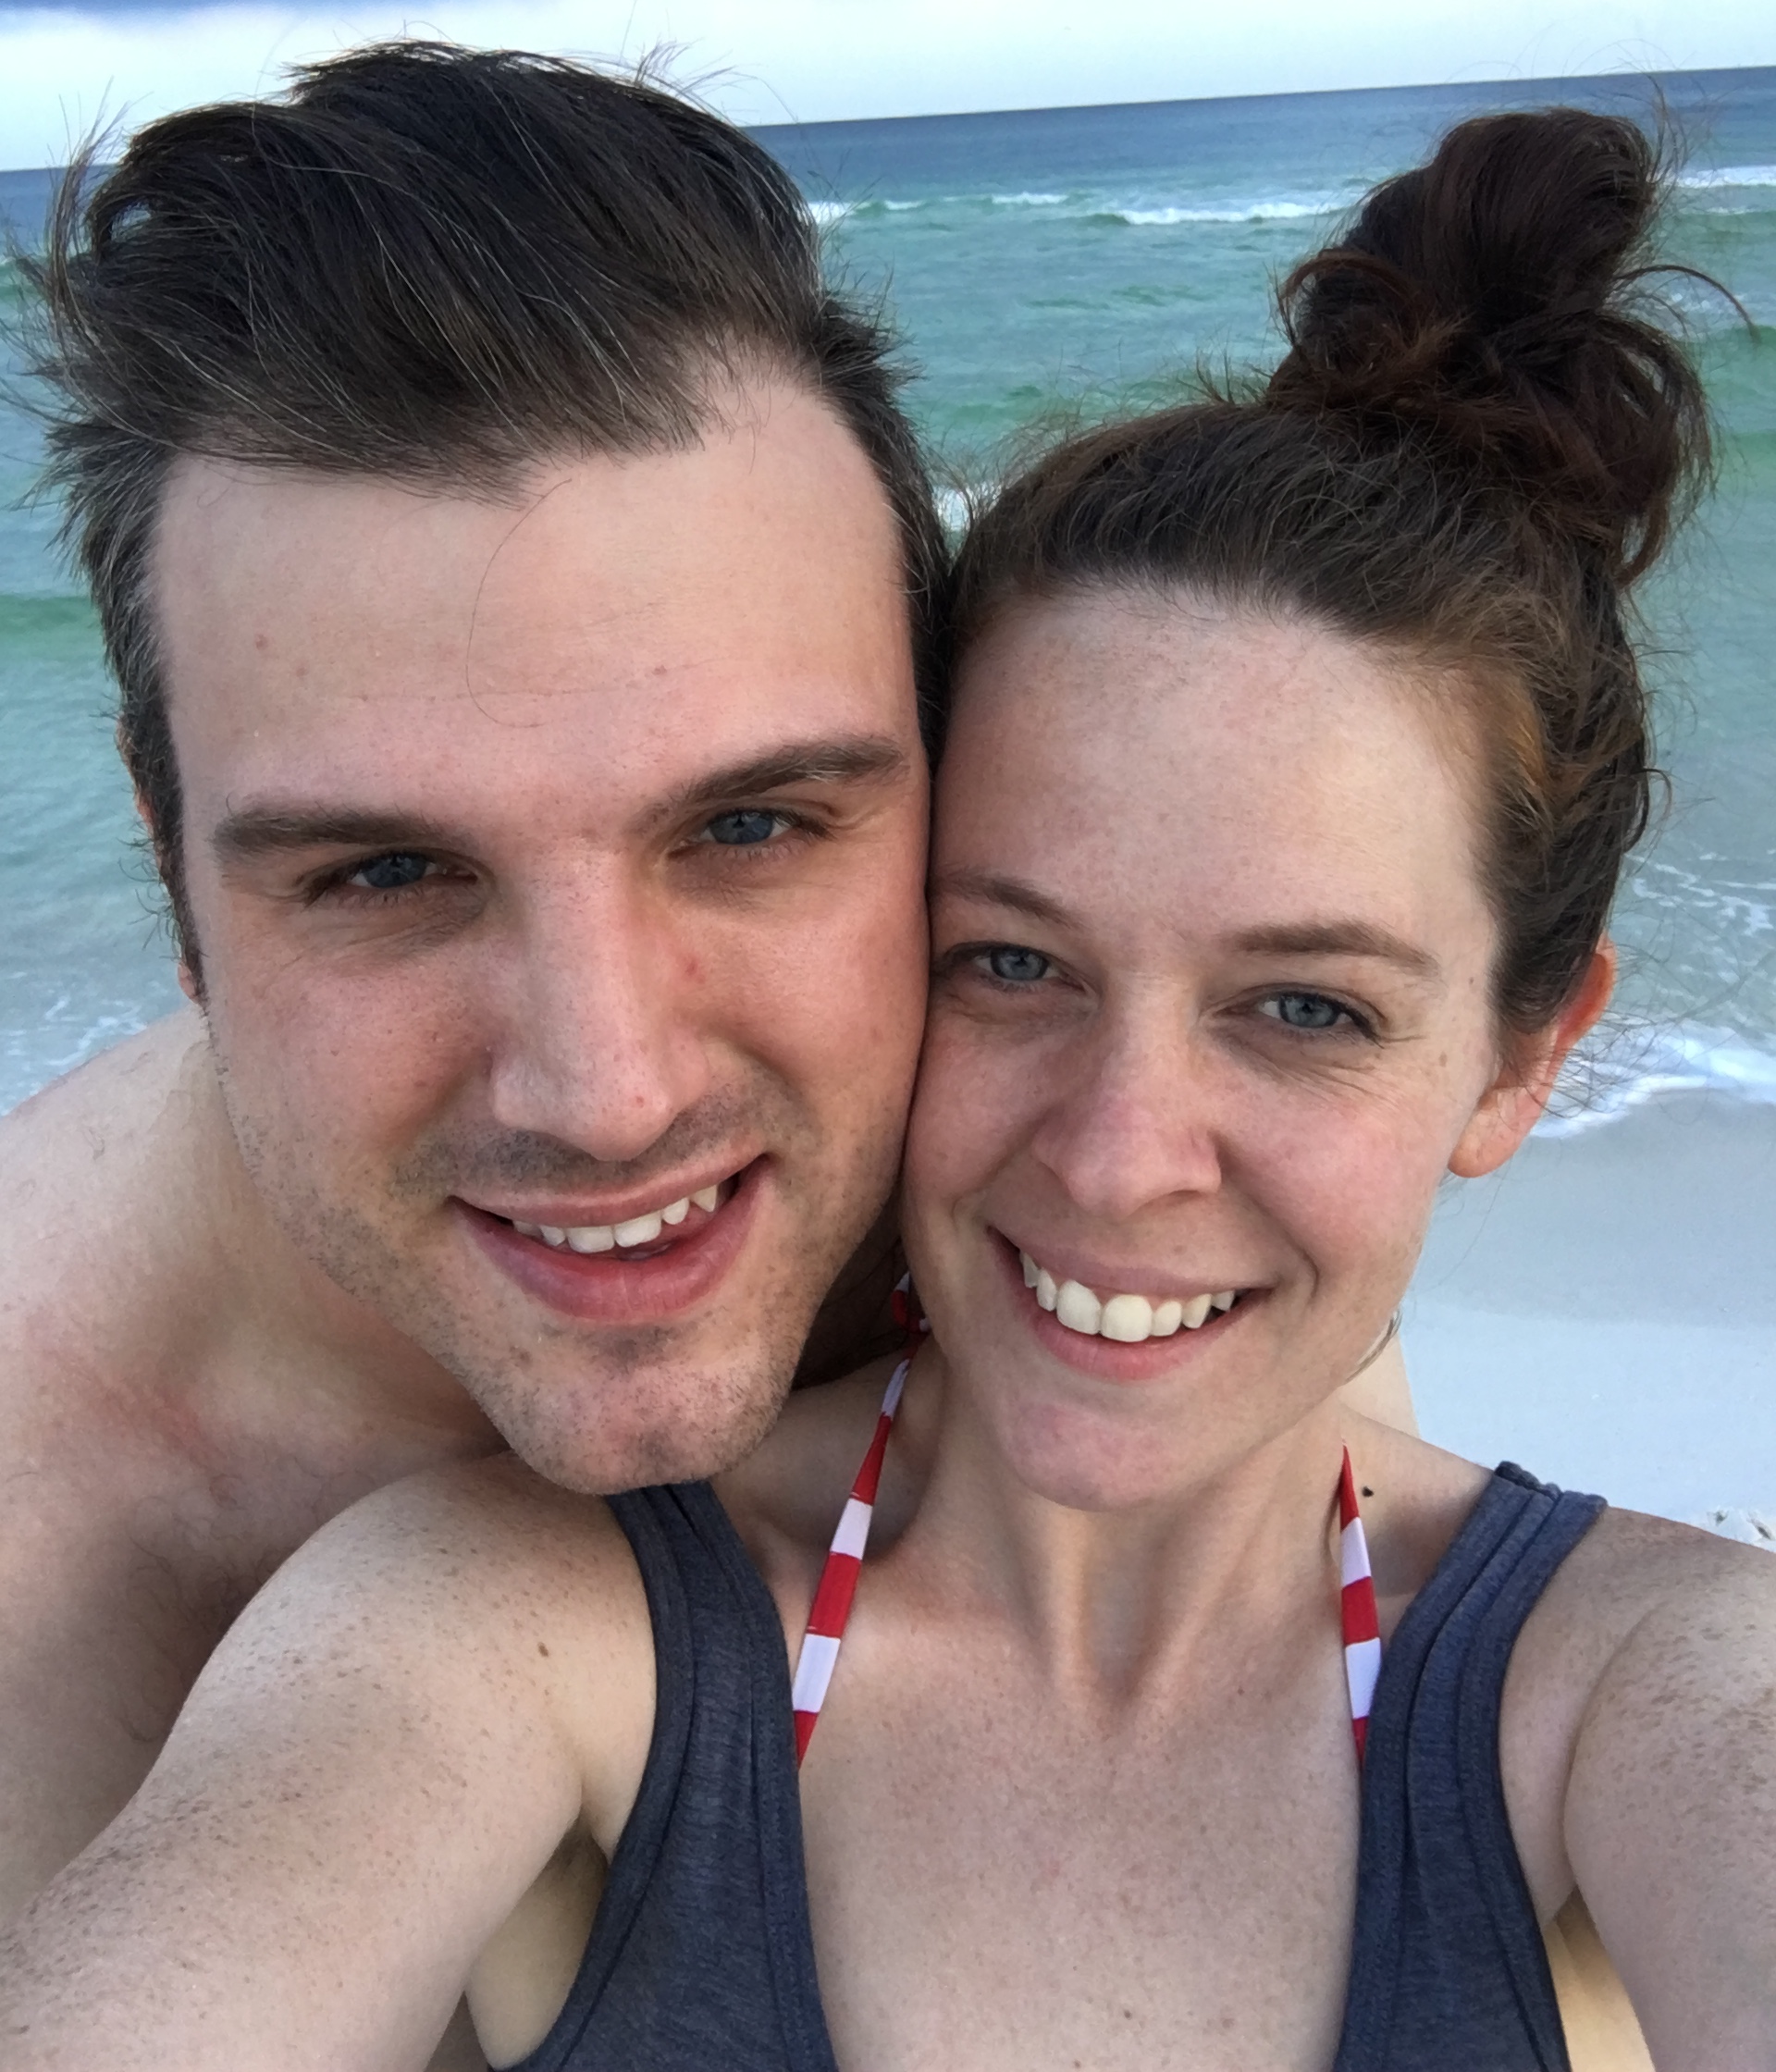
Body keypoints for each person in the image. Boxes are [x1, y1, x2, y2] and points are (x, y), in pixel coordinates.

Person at [6, 107, 1769, 2070]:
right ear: (174, 876)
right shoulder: (111, 1544)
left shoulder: (1099, 1262)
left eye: (750, 823)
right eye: (382, 871)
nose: (607, 1094)